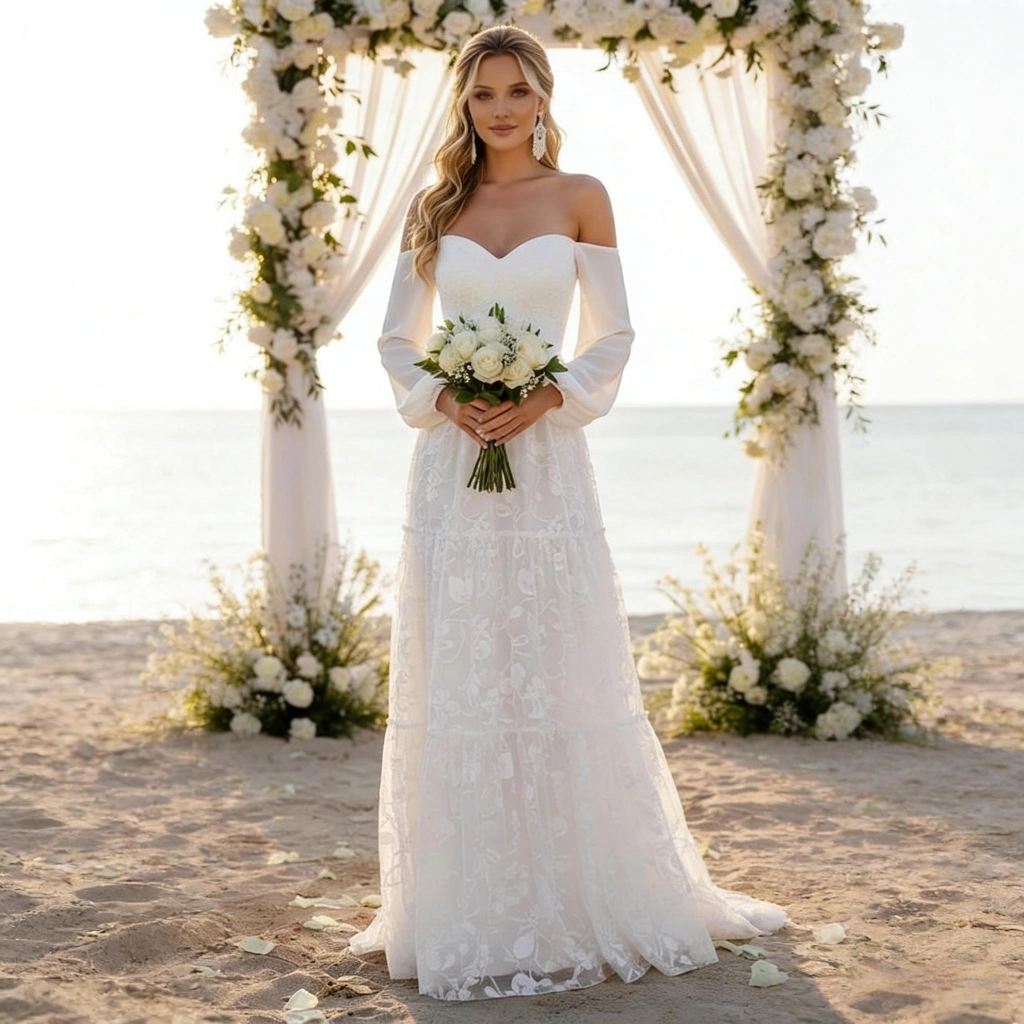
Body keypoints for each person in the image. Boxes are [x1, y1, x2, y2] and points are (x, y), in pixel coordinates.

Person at [347, 23, 789, 1001]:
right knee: (466, 666)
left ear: (543, 97)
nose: (499, 109)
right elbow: (393, 341)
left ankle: (578, 884)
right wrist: (452, 399)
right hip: (453, 465)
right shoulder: (435, 207)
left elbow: (614, 332)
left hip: (544, 462)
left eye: (516, 91)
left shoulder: (582, 197)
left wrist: (544, 395)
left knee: (551, 658)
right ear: (462, 105)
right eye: (481, 94)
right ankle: (462, 899)